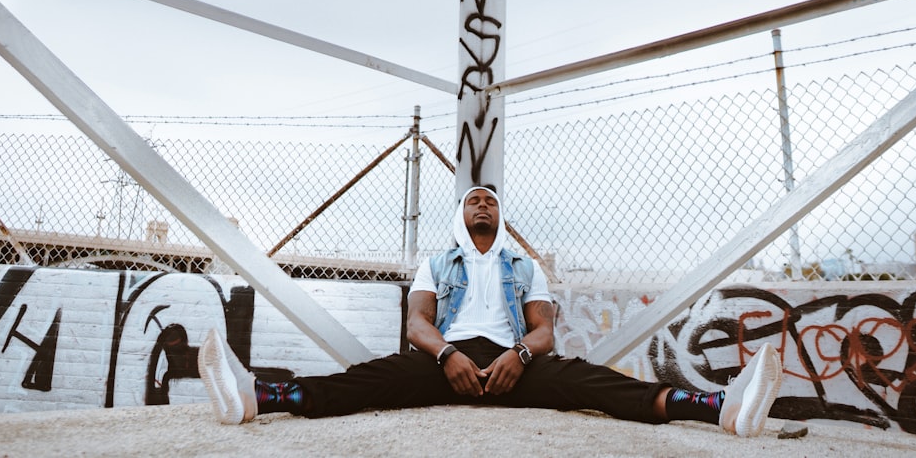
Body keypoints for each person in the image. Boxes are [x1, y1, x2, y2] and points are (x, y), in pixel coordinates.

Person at [198, 186, 782, 436]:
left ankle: (717, 408)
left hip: (515, 363)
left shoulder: (525, 267)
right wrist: (448, 353)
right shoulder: (437, 263)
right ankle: (257, 397)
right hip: (444, 362)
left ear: (500, 218)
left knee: (594, 383)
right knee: (369, 381)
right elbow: (417, 324)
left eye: (491, 202)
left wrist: (520, 355)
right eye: (474, 200)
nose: (483, 205)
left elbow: (546, 331)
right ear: (461, 215)